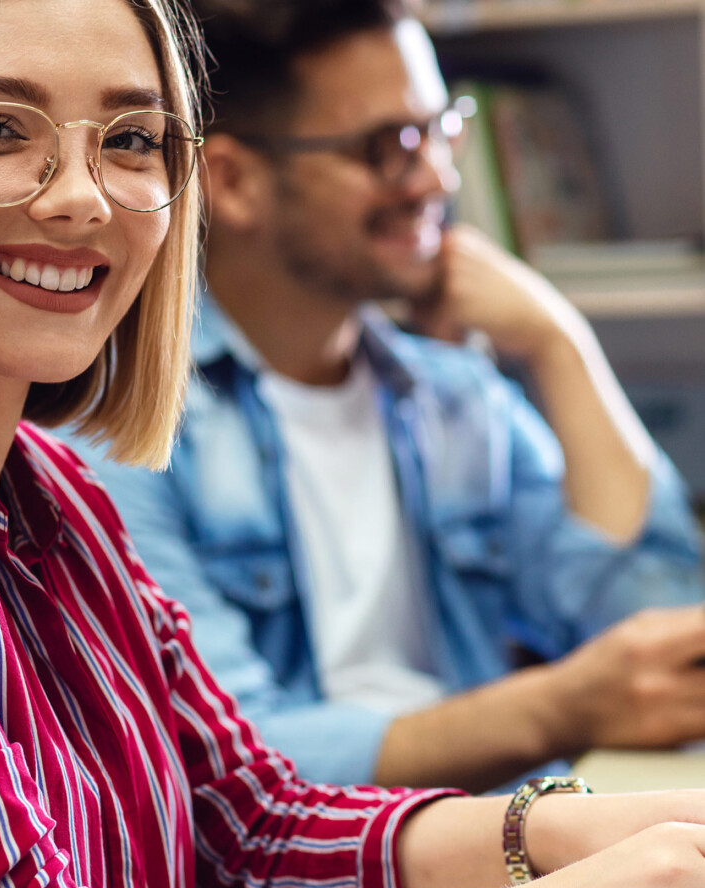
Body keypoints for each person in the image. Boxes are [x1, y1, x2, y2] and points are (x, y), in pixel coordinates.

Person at [0, 0, 705, 888]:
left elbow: (254, 824)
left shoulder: (51, 492)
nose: (83, 198)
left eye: (129, 140)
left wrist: (581, 830)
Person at [64, 0, 705, 795]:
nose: (439, 177)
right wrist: (558, 709)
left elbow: (658, 636)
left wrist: (562, 345)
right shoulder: (118, 432)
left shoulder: (450, 394)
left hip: (507, 837)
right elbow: (225, 768)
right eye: (390, 146)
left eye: (442, 129)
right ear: (231, 181)